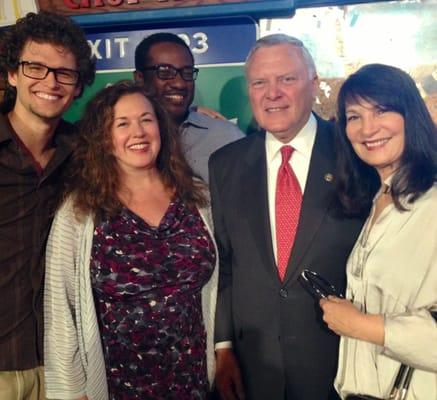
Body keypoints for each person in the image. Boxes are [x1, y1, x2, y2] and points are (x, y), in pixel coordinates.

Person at [209, 33, 366, 400]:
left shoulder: (357, 153)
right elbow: (226, 262)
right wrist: (224, 345)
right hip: (254, 367)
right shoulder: (225, 165)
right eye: (260, 82)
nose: (272, 93)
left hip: (340, 366)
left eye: (287, 79)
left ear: (313, 85)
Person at [44, 81, 218, 400]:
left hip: (193, 384)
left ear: (161, 128)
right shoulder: (80, 210)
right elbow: (62, 308)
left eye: (146, 120)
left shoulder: (199, 198)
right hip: (117, 388)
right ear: (104, 139)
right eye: (122, 124)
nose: (137, 132)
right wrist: (72, 392)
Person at [320, 63, 437, 399]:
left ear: (410, 116)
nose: (367, 128)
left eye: (381, 110)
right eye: (354, 116)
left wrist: (359, 325)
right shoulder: (378, 197)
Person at [0, 11, 94, 400]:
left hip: (63, 365)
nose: (50, 82)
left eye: (64, 73)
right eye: (35, 67)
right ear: (12, 74)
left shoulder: (87, 154)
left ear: (77, 87)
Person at [134, 32, 244, 182]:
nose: (179, 83)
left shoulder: (225, 137)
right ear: (140, 78)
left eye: (187, 72)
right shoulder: (119, 140)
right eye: (165, 72)